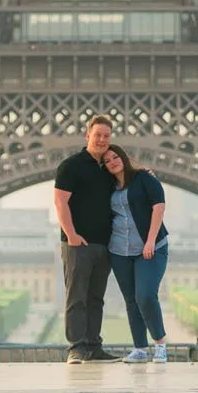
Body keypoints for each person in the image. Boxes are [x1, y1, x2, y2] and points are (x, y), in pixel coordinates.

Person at [53, 111, 119, 362]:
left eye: (106, 136)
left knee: (95, 298)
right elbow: (60, 202)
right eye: (98, 135)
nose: (102, 140)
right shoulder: (71, 166)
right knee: (77, 296)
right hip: (77, 243)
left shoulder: (108, 169)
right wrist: (71, 235)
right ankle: (77, 348)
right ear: (87, 135)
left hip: (103, 244)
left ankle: (93, 346)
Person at [103, 144, 170, 362]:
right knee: (131, 300)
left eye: (115, 157)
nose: (112, 161)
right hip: (119, 250)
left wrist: (150, 240)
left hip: (149, 247)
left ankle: (160, 345)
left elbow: (158, 207)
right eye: (107, 161)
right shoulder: (107, 186)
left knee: (145, 296)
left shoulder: (144, 178)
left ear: (123, 157)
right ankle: (140, 349)